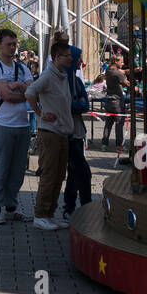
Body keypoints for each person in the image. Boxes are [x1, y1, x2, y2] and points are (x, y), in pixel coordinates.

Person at [0, 28, 35, 224]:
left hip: (22, 125)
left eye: (14, 44)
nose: (13, 48)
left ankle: (11, 207)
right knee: (1, 168)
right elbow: (6, 96)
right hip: (1, 124)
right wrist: (23, 92)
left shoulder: (22, 68)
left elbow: (33, 92)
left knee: (18, 170)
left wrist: (19, 87)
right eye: (9, 44)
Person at [26, 39, 75, 231]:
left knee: (59, 175)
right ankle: (40, 215)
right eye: (67, 55)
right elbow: (30, 93)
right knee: (49, 174)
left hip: (62, 132)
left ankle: (50, 213)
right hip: (50, 132)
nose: (71, 58)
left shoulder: (62, 75)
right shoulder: (48, 76)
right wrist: (40, 113)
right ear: (57, 57)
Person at [62, 45, 93, 221]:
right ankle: (86, 205)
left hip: (77, 132)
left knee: (75, 172)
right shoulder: (63, 80)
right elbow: (65, 104)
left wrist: (77, 104)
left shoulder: (76, 80)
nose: (81, 61)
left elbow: (84, 105)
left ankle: (70, 206)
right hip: (67, 133)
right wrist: (77, 104)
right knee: (83, 171)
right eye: (78, 58)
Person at [100, 53, 129, 151]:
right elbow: (127, 83)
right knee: (119, 124)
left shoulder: (108, 70)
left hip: (108, 100)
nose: (123, 63)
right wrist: (137, 88)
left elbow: (122, 71)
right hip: (117, 101)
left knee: (108, 123)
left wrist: (130, 71)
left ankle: (104, 144)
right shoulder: (117, 73)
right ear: (116, 61)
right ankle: (119, 145)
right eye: (121, 61)